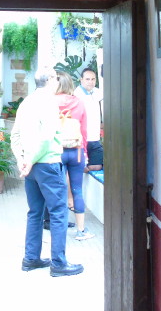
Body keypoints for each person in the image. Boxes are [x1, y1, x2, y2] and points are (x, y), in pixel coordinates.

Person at [11, 67, 84, 277]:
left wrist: (22, 161)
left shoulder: (26, 103)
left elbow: (14, 136)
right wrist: (30, 161)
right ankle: (59, 263)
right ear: (51, 80)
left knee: (35, 213)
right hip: (47, 165)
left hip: (31, 168)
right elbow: (46, 138)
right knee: (59, 213)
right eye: (56, 77)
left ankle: (31, 258)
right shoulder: (50, 103)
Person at [56, 72, 94, 241]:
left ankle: (60, 228)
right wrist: (84, 150)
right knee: (77, 190)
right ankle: (81, 230)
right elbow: (84, 130)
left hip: (57, 151)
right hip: (77, 151)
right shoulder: (79, 102)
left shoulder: (50, 102)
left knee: (58, 189)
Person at [74, 68, 104, 171]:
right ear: (81, 80)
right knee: (78, 167)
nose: (90, 82)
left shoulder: (98, 92)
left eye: (93, 79)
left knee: (98, 166)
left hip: (95, 139)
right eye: (87, 79)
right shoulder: (76, 95)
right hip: (82, 139)